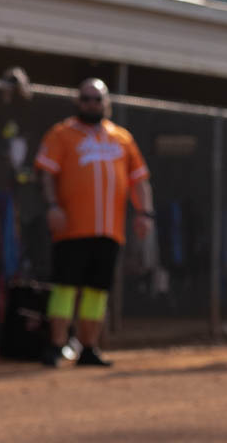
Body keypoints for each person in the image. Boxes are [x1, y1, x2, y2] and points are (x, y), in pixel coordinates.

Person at [33, 78, 152, 367]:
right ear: (78, 102)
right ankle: (56, 345)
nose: (91, 104)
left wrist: (144, 213)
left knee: (97, 292)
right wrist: (52, 206)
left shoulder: (121, 137)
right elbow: (46, 174)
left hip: (109, 229)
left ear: (106, 103)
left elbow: (139, 180)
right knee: (65, 287)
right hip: (72, 228)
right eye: (86, 98)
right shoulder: (62, 133)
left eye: (97, 99)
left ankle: (89, 348)